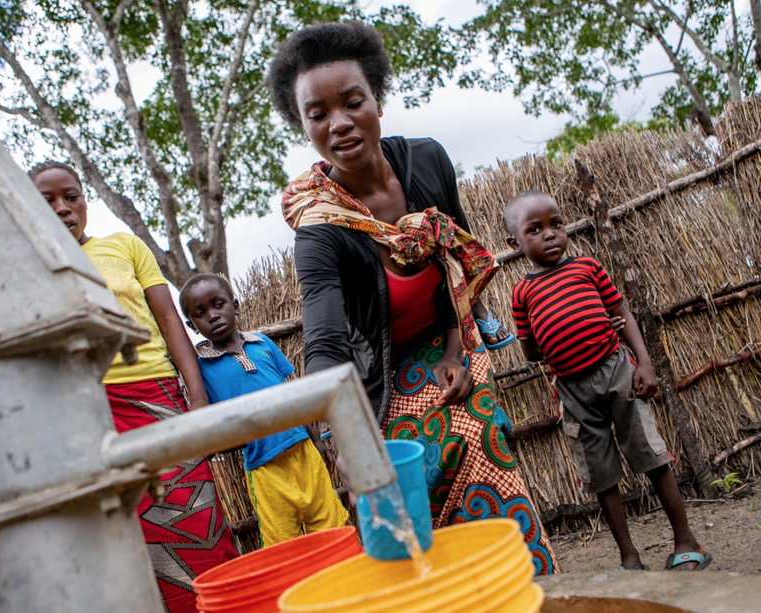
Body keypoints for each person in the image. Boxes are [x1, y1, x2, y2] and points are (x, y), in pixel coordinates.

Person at [267, 22, 558, 575]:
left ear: (377, 98)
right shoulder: (319, 228)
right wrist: (345, 439)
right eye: (318, 113)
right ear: (301, 124)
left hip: (447, 342)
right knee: (401, 494)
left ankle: (521, 584)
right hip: (375, 377)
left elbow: (456, 264)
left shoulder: (426, 161)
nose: (340, 123)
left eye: (353, 102)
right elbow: (327, 342)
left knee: (477, 435)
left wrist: (454, 350)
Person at [29, 162, 237, 612]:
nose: (63, 208)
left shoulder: (124, 245)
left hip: (155, 399)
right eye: (46, 201)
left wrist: (195, 397)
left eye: (72, 196)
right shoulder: (25, 264)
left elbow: (168, 320)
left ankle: (224, 604)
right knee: (123, 535)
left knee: (196, 518)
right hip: (83, 413)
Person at [505, 190, 712, 571]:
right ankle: (628, 557)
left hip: (617, 371)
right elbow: (532, 353)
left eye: (556, 224)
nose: (550, 234)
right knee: (600, 475)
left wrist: (644, 363)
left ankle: (686, 541)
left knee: (651, 455)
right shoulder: (522, 293)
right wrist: (552, 333)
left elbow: (623, 314)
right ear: (514, 243)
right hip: (572, 390)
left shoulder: (588, 268)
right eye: (535, 229)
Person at [179, 273, 350, 547]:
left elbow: (291, 394)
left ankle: (347, 581)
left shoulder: (263, 344)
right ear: (193, 325)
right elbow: (212, 425)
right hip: (264, 468)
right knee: (283, 544)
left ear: (235, 305)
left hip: (304, 451)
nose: (212, 315)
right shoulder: (202, 370)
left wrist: (317, 439)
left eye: (218, 304)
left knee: (332, 527)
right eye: (201, 313)